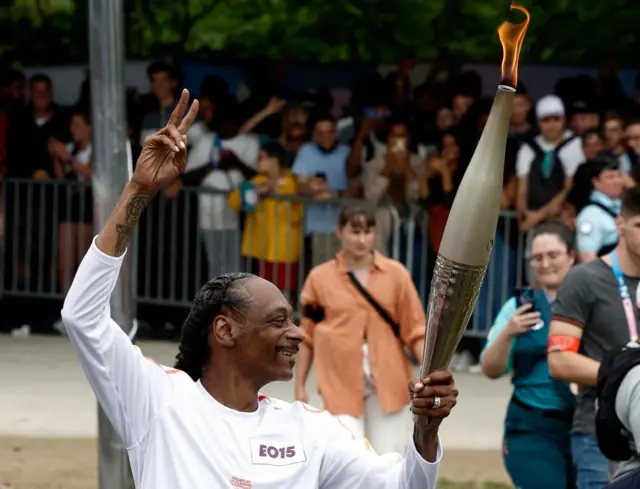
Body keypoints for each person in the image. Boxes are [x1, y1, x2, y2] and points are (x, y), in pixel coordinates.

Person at [60, 89, 459, 489]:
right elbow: (83, 316)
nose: (298, 333)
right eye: (277, 321)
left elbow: (405, 485)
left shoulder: (310, 431)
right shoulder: (158, 401)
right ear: (225, 329)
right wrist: (138, 192)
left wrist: (426, 434)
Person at [295, 203, 427, 455]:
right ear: (340, 231)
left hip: (388, 380)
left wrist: (429, 374)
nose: (362, 239)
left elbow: (416, 329)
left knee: (388, 460)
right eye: (355, 231)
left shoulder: (396, 274)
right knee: (349, 458)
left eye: (368, 232)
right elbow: (307, 336)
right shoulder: (319, 278)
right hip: (339, 381)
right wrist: (299, 385)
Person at [548, 187, 640, 489]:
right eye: (639, 225)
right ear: (619, 224)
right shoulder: (585, 279)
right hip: (599, 433)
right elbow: (559, 361)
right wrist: (621, 374)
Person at [480, 221, 576, 489]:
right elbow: (490, 368)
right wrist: (508, 333)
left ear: (571, 255)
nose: (545, 264)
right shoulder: (519, 306)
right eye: (537, 258)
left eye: (553, 255)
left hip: (583, 423)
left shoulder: (592, 302)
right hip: (531, 425)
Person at [576, 157, 625, 262]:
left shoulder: (626, 207)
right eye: (610, 177)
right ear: (596, 182)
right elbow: (588, 259)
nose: (617, 181)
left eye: (619, 176)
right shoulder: (589, 216)